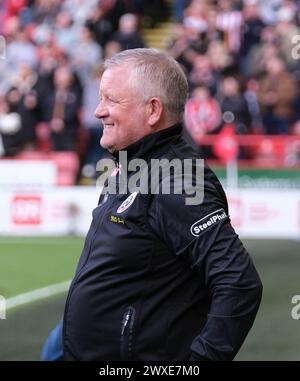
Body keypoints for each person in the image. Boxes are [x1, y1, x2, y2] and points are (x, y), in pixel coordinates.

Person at [62, 48, 262, 361]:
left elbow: (239, 282)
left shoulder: (179, 179)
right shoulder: (132, 166)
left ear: (153, 110)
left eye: (111, 100)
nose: (98, 111)